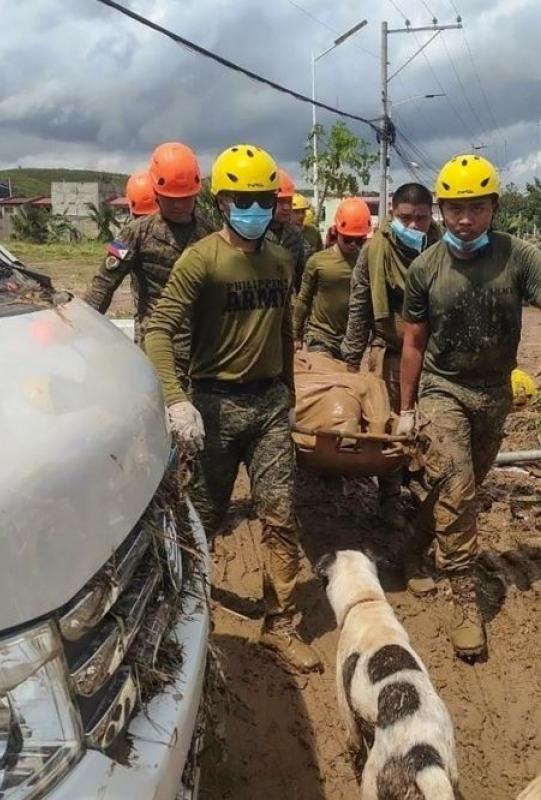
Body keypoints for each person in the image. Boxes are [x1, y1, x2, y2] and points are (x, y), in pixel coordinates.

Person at [145, 143, 321, 674]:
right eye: (243, 198)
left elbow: (283, 333)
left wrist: (288, 393)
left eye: (264, 198)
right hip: (215, 406)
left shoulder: (280, 257)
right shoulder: (201, 260)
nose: (255, 207)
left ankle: (281, 625)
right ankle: (185, 616)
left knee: (280, 517)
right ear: (221, 201)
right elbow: (158, 331)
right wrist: (177, 401)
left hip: (268, 404)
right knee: (201, 520)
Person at [398, 154, 541, 661]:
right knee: (458, 490)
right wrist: (406, 407)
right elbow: (413, 343)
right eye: (454, 208)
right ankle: (465, 602)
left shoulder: (518, 257)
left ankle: (412, 547)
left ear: (493, 207)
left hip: (494, 393)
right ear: (441, 210)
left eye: (475, 208)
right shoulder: (425, 267)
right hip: (443, 390)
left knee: (459, 488)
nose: (463, 219)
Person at [341, 183, 440, 530]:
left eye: (422, 218)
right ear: (392, 215)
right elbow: (359, 307)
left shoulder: (444, 249)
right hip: (391, 355)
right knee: (392, 427)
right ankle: (390, 498)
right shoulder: (375, 253)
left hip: (436, 356)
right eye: (405, 218)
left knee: (435, 426)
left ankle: (430, 490)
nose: (414, 226)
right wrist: (351, 363)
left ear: (432, 216)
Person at [83, 142, 214, 381]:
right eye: (170, 198)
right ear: (156, 193)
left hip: (204, 349)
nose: (178, 205)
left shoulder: (210, 233)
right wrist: (80, 329)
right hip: (160, 347)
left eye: (185, 198)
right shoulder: (133, 233)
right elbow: (103, 283)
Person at [293, 197, 371, 358]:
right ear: (336, 232)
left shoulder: (368, 262)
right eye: (348, 239)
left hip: (354, 340)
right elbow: (304, 300)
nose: (353, 245)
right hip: (321, 336)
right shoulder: (317, 261)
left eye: (359, 240)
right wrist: (295, 334)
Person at [265, 168, 306, 291]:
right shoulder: (254, 234)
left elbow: (300, 275)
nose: (287, 207)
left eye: (289, 201)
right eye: (281, 202)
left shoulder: (295, 235)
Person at [291, 193, 323, 260]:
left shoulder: (313, 232)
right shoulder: (284, 233)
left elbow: (321, 256)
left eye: (303, 211)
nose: (301, 216)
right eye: (296, 212)